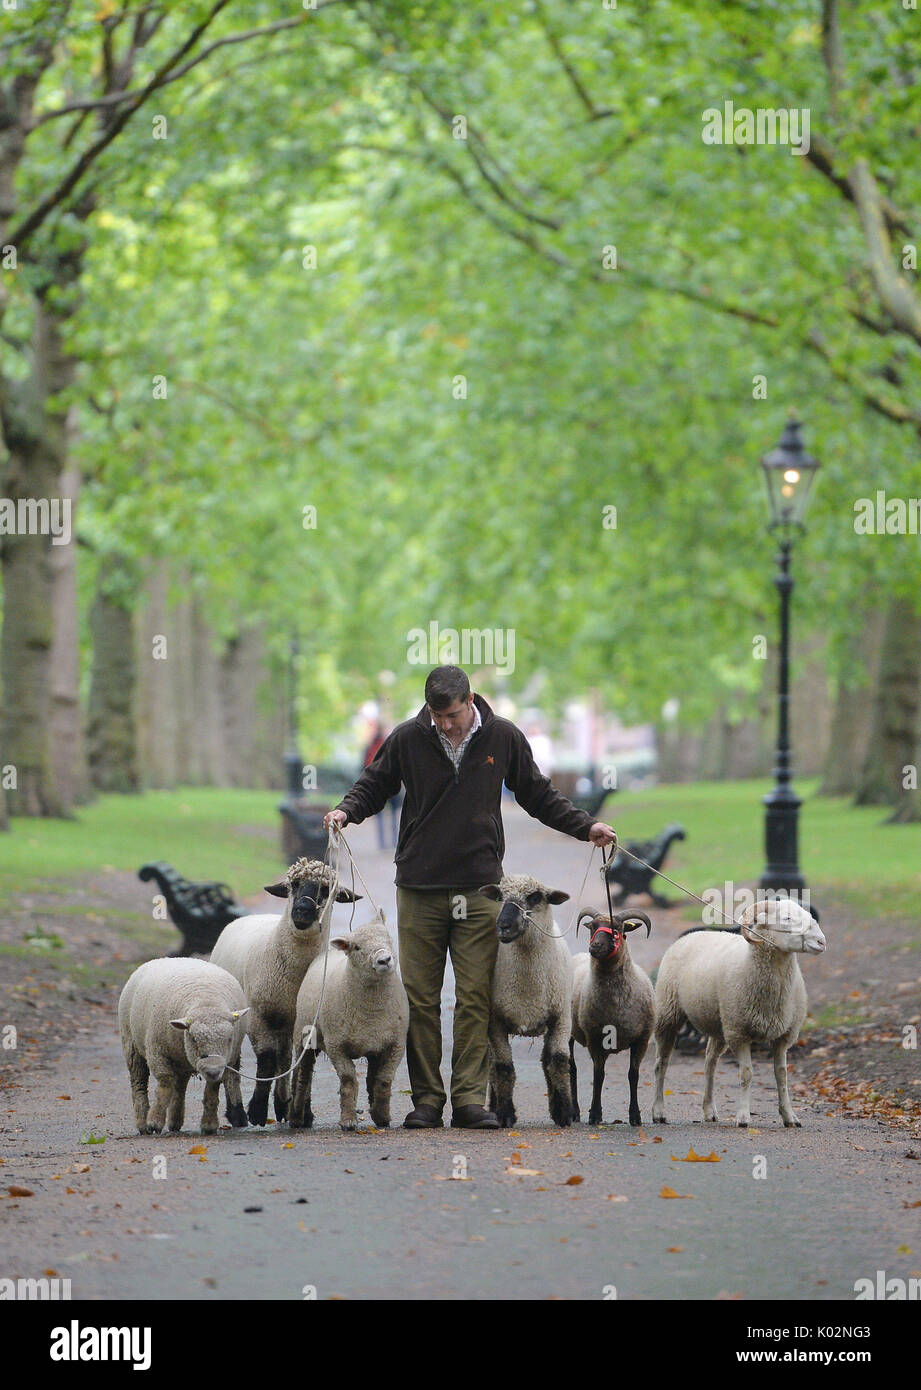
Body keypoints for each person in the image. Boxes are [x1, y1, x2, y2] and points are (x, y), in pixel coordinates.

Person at [324, 665, 617, 1130]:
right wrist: (345, 810)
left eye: (453, 714)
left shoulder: (502, 737)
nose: (445, 724)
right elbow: (374, 784)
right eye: (437, 715)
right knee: (420, 997)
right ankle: (426, 1101)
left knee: (475, 996)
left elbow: (537, 794)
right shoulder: (406, 738)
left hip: (480, 886)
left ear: (471, 701)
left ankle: (468, 1100)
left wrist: (586, 827)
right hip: (419, 885)